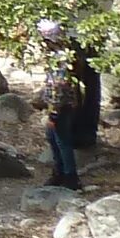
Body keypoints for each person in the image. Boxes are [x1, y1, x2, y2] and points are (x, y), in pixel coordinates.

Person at [38, 20, 102, 189]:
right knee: (53, 138)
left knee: (62, 140)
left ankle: (70, 177)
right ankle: (59, 171)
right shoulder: (60, 55)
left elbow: (59, 86)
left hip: (62, 105)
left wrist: (54, 112)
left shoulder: (62, 58)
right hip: (62, 104)